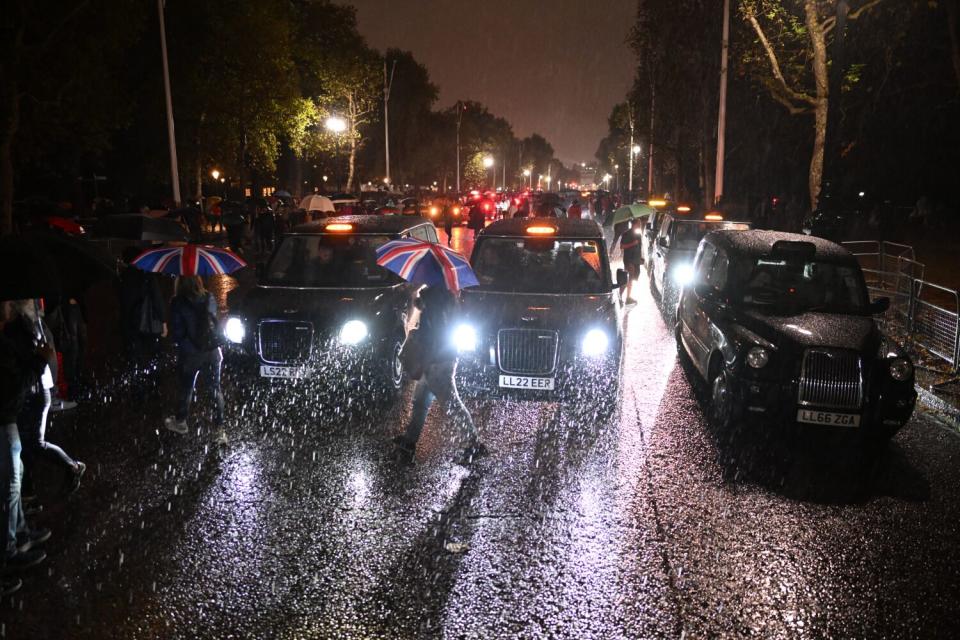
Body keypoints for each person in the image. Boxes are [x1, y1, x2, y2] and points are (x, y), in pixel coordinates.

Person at [392, 287, 484, 465]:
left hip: (436, 362)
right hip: (439, 361)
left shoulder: (435, 303)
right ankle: (408, 444)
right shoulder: (443, 301)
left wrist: (425, 359)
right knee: (420, 403)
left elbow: (434, 336)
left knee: (451, 404)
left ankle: (474, 444)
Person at [8, 301, 86, 500]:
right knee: (28, 443)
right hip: (35, 391)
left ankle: (72, 467)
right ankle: (28, 490)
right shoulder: (26, 325)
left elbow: (33, 362)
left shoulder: (21, 329)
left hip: (35, 392)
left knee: (33, 442)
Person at [0, 300, 54, 587]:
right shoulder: (5, 341)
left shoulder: (7, 336)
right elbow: (12, 387)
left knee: (16, 478)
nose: (10, 306)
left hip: (8, 419)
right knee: (10, 485)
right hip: (4, 419)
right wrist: (39, 360)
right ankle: (8, 552)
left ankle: (20, 534)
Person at [164, 276, 226, 444]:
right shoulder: (209, 297)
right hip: (212, 351)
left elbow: (177, 332)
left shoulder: (177, 302)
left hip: (191, 354)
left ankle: (181, 422)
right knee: (215, 389)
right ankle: (219, 430)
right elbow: (212, 320)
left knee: (186, 388)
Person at [620, 218, 644, 305]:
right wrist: (632, 244)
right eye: (639, 223)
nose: (640, 225)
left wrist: (640, 258)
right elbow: (622, 246)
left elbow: (639, 247)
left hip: (636, 260)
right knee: (628, 278)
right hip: (629, 259)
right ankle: (621, 296)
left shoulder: (638, 234)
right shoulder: (627, 234)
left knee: (631, 279)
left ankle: (627, 297)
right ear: (634, 224)